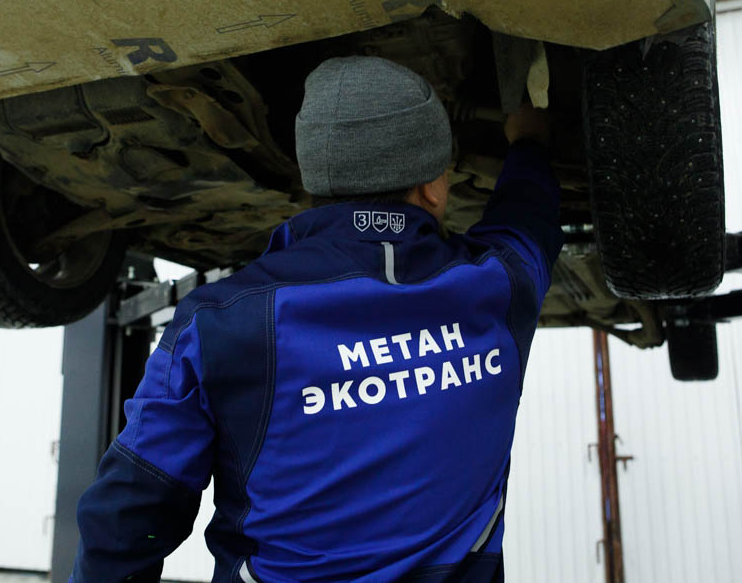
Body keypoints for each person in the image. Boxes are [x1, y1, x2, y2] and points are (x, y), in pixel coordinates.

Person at [72, 56, 564, 582]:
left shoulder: (221, 323)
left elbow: (129, 515)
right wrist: (529, 141)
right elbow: (529, 217)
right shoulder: (498, 287)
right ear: (435, 188)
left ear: (314, 180)